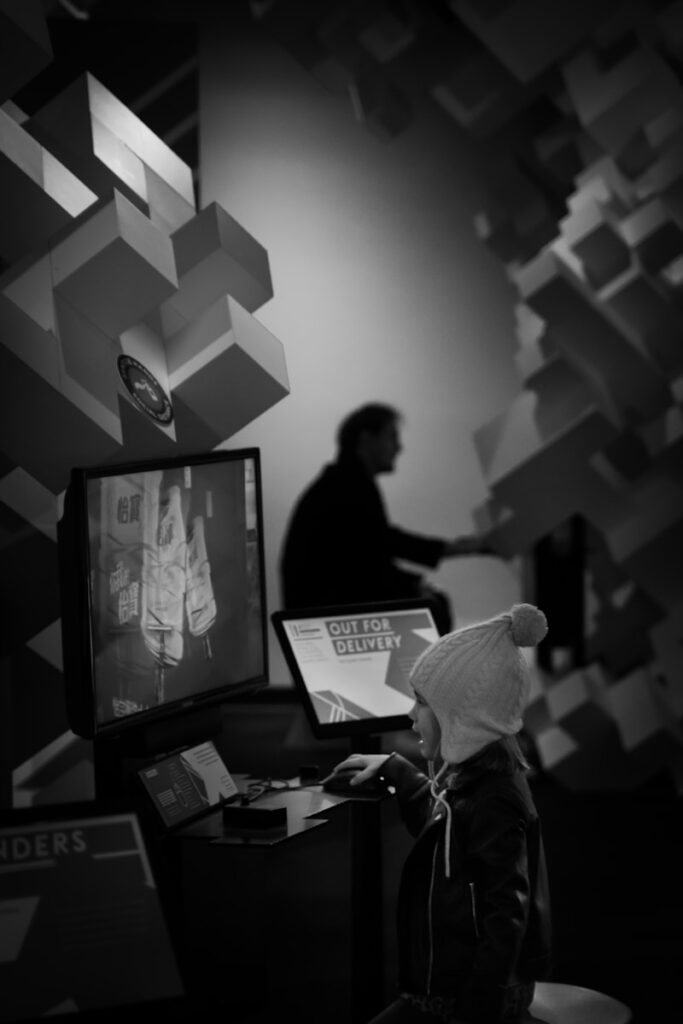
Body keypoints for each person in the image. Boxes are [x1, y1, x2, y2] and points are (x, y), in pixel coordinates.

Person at [329, 602, 553, 1024]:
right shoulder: (474, 779)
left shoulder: (495, 800)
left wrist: (474, 1012)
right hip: (452, 988)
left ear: (462, 718)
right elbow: (444, 827)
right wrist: (397, 770)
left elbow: (505, 919)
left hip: (468, 1000)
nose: (411, 714)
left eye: (422, 703)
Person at [279, 403, 494, 633]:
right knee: (435, 606)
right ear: (366, 439)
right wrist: (460, 551)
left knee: (433, 601)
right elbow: (384, 548)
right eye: (391, 436)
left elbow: (372, 553)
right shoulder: (349, 486)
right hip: (325, 607)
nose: (399, 447)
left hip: (321, 600)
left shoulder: (344, 482)